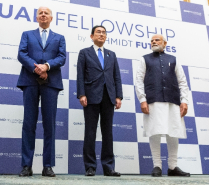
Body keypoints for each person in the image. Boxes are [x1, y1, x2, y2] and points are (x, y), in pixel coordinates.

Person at [17, 6, 66, 177]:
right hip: (30, 81)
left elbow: (62, 57)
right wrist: (36, 68)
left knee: (49, 125)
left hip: (51, 82)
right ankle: (26, 165)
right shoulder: (27, 34)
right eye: (40, 13)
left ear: (51, 18)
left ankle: (48, 166)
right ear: (37, 17)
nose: (43, 15)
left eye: (46, 13)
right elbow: (21, 54)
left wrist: (47, 66)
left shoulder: (59, 37)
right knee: (28, 123)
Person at [135, 34, 190, 177]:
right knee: (154, 132)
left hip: (173, 101)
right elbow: (139, 81)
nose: (153, 42)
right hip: (153, 100)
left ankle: (172, 167)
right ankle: (157, 166)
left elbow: (182, 82)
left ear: (165, 43)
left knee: (173, 132)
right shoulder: (144, 59)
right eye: (152, 41)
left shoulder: (173, 59)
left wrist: (184, 101)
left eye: (157, 40)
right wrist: (142, 100)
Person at [76, 25, 123, 177]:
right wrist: (81, 94)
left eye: (104, 33)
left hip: (109, 97)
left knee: (107, 133)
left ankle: (108, 167)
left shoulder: (112, 54)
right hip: (90, 96)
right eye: (98, 32)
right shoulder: (84, 53)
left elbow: (117, 77)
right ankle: (90, 167)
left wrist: (118, 96)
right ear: (92, 36)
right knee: (90, 132)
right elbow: (80, 75)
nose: (101, 35)